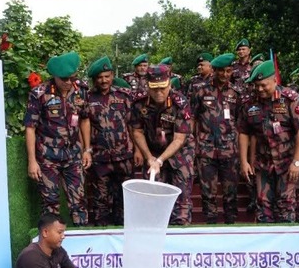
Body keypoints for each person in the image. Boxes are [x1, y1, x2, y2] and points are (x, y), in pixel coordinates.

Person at [24, 51, 92, 226]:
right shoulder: (40, 94)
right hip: (48, 158)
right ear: (54, 76)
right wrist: (32, 161)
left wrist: (87, 150)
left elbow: (84, 119)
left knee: (79, 201)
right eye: (64, 79)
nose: (69, 82)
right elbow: (30, 128)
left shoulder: (81, 91)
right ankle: (51, 248)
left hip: (74, 156)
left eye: (72, 78)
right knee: (50, 203)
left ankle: (83, 245)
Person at [237, 61, 299, 223]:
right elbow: (243, 132)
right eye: (257, 86)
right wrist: (244, 162)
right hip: (263, 165)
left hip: (287, 163)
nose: (260, 89)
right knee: (263, 206)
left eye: (264, 85)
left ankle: (287, 246)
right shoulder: (249, 103)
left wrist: (297, 162)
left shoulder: (289, 99)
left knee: (286, 205)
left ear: (275, 81)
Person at [130, 64, 195, 225]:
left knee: (181, 200)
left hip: (180, 154)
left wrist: (160, 160)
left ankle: (180, 237)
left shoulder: (180, 103)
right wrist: (149, 157)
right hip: (153, 151)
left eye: (162, 88)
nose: (159, 92)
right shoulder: (139, 103)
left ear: (169, 84)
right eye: (154, 88)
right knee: (153, 198)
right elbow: (137, 131)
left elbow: (179, 139)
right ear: (148, 86)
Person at [83, 56, 142, 226]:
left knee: (124, 200)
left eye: (107, 76)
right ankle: (103, 236)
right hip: (100, 158)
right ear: (95, 79)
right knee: (100, 200)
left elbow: (133, 125)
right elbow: (84, 123)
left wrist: (138, 150)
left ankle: (123, 234)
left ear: (112, 75)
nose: (104, 80)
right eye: (100, 77)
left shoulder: (124, 95)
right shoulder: (87, 98)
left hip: (124, 156)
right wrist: (86, 150)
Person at [190, 53, 243, 224]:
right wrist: (192, 144)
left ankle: (231, 224)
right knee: (208, 192)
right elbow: (192, 118)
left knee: (230, 192)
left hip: (229, 150)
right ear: (214, 70)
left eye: (228, 71)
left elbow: (240, 121)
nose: (225, 75)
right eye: (221, 71)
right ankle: (210, 224)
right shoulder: (200, 91)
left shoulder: (236, 93)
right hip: (206, 149)